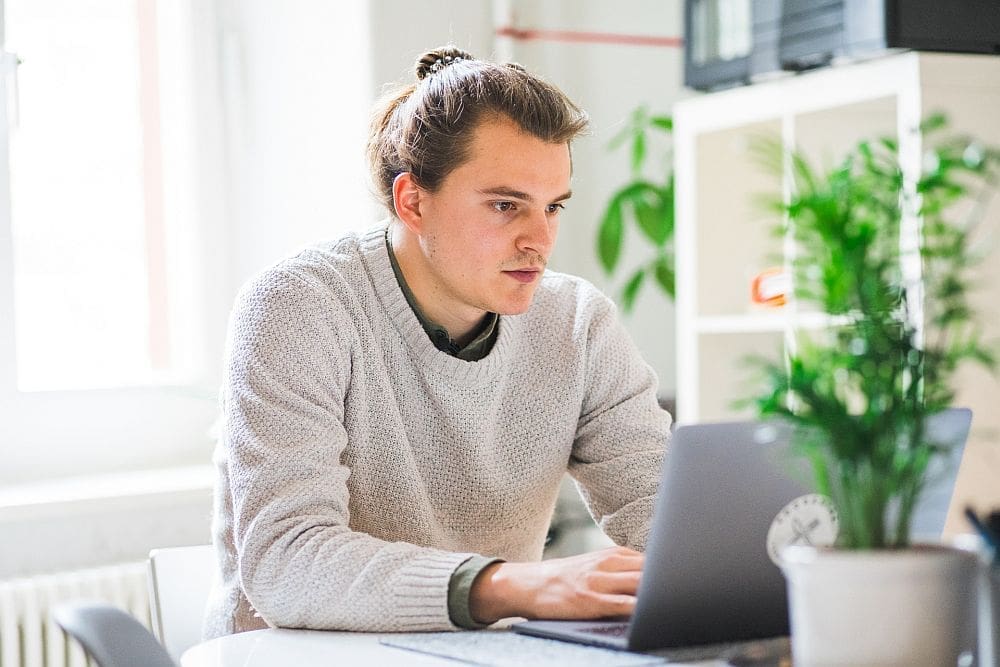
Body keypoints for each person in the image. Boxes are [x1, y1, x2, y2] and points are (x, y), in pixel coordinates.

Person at [203, 45, 672, 639]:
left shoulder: (577, 322)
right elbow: (289, 563)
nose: (540, 239)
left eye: (553, 207)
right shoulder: (298, 305)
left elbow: (661, 511)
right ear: (413, 201)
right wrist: (513, 585)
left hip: (487, 654)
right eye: (506, 206)